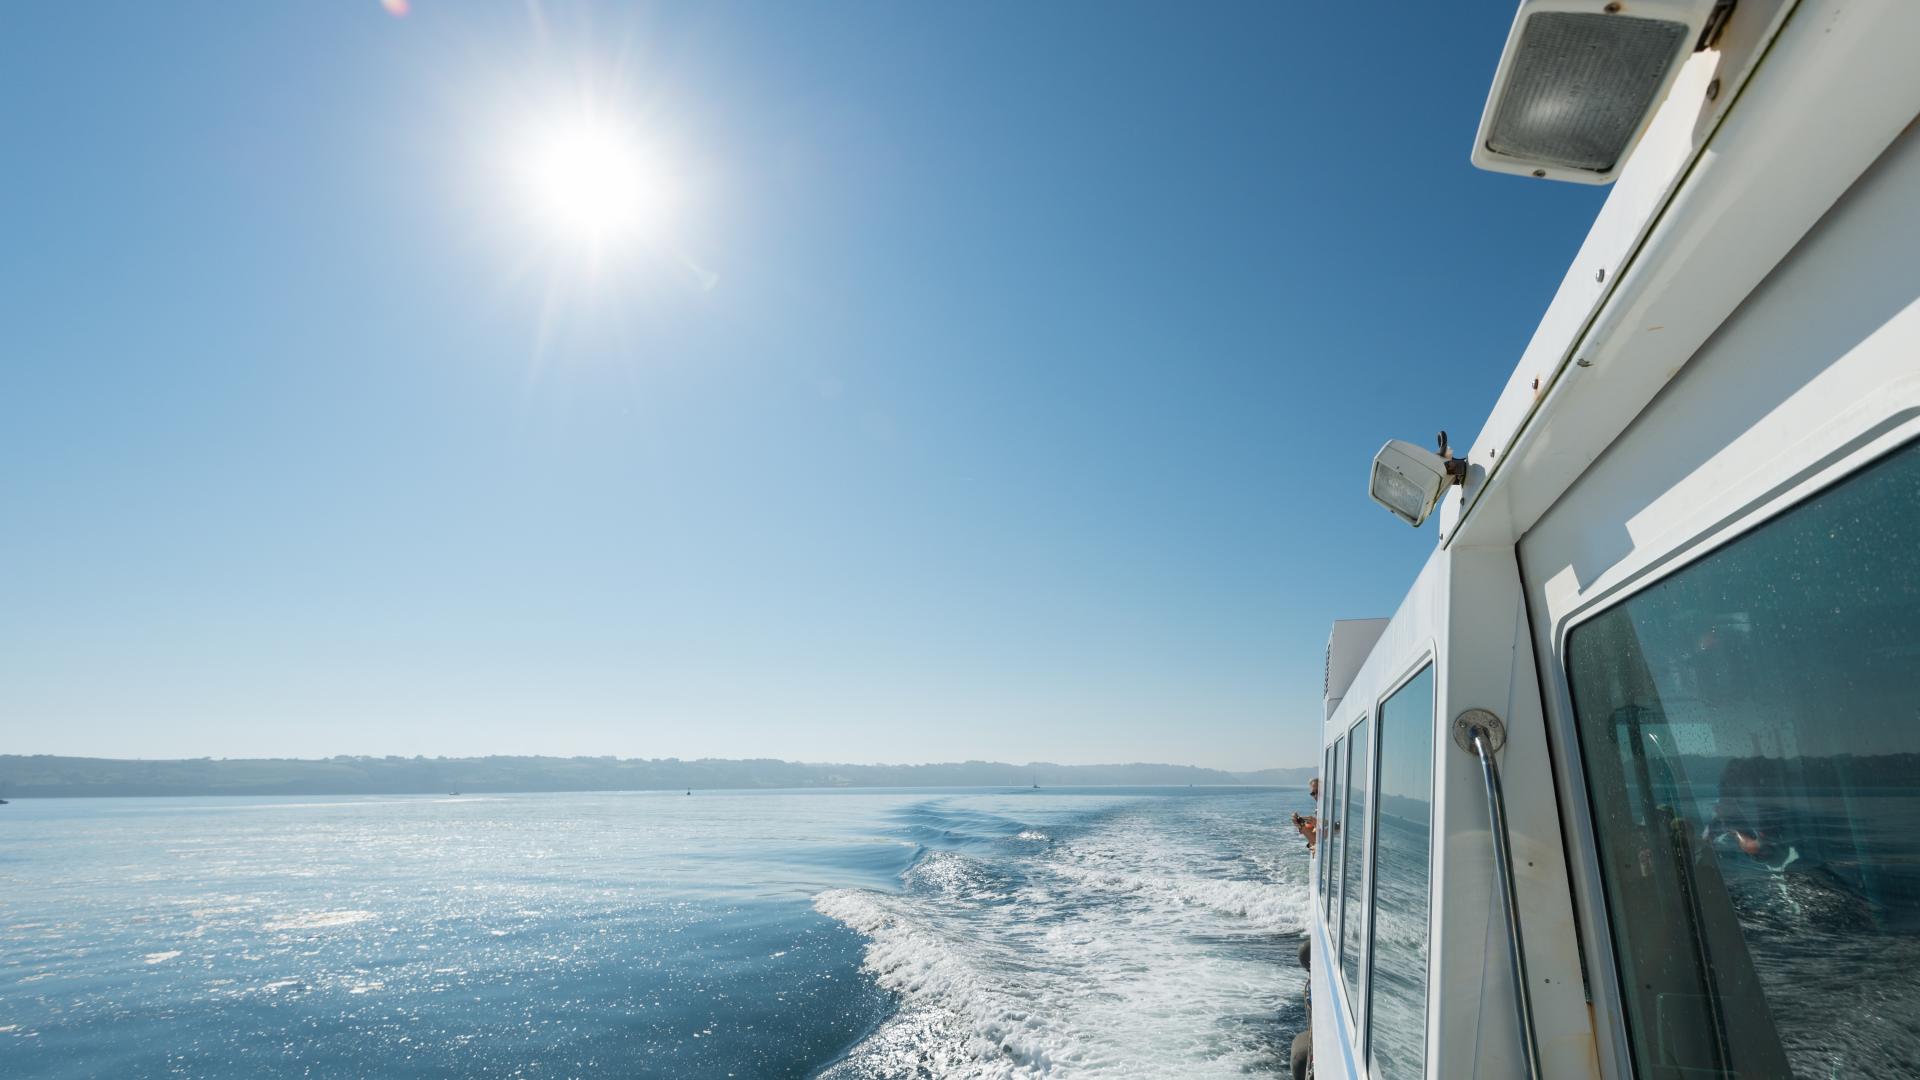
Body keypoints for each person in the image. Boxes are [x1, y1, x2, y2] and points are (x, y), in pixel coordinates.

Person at [1292, 778, 1320, 853]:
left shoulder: (1329, 809)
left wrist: (1303, 826)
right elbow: (1314, 835)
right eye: (1313, 793)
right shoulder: (1319, 808)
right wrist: (1301, 825)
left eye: (1318, 791)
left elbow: (1316, 838)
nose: (1316, 795)